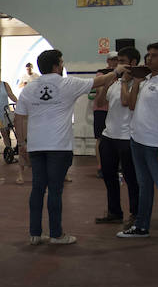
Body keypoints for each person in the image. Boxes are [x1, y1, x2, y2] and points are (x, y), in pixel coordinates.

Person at [16, 50, 120, 244]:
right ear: (56, 66)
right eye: (61, 62)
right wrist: (118, 71)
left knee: (37, 189)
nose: (63, 66)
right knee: (55, 190)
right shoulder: (68, 84)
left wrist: (21, 143)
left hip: (36, 146)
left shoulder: (29, 89)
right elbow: (100, 81)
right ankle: (56, 234)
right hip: (58, 146)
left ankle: (35, 234)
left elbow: (19, 118)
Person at [118, 43, 158, 245]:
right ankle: (142, 226)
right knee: (144, 185)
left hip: (155, 144)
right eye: (148, 56)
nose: (149, 59)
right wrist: (135, 82)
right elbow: (131, 105)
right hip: (138, 140)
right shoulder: (147, 81)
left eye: (154, 56)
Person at [96, 46, 141, 225]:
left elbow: (126, 102)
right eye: (118, 62)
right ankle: (114, 211)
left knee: (131, 178)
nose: (119, 65)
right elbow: (100, 102)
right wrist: (105, 83)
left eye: (122, 62)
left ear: (133, 63)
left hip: (127, 136)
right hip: (109, 135)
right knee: (108, 175)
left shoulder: (138, 83)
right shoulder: (115, 82)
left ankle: (136, 213)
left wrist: (123, 81)